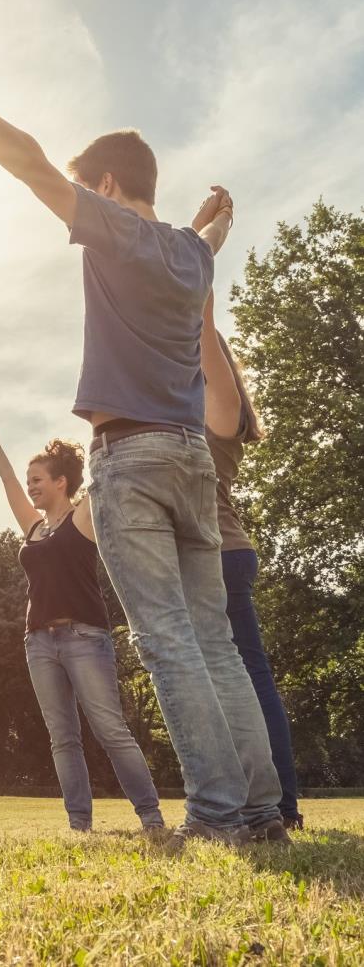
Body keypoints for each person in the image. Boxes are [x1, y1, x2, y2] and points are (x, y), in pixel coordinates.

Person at [0, 53, 285, 845]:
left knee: (165, 642)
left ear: (112, 188)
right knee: (215, 640)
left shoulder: (114, 225)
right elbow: (206, 233)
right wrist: (216, 215)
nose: (79, 201)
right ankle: (262, 809)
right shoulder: (192, 255)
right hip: (193, 460)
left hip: (130, 458)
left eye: (88, 188)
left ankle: (219, 813)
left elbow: (26, 163)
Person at [0, 410, 164, 833]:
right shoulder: (33, 527)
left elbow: (102, 471)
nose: (30, 487)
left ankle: (151, 817)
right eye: (29, 481)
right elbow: (6, 482)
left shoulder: (82, 516)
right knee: (63, 738)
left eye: (37, 479)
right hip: (38, 643)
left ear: (61, 482)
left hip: (84, 637)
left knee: (110, 729)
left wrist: (114, 423)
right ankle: (79, 824)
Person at [202, 292, 302, 829]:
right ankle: (262, 800)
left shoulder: (221, 411)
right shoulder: (205, 411)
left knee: (248, 678)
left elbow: (202, 324)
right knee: (235, 680)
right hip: (223, 555)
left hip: (222, 555)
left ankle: (281, 805)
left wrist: (196, 264)